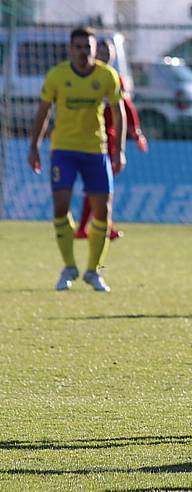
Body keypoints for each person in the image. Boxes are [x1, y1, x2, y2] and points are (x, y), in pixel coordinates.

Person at [28, 26, 126, 292]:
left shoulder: (107, 76)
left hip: (96, 150)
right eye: (79, 47)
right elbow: (43, 112)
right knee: (61, 207)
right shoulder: (58, 76)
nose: (84, 52)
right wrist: (34, 146)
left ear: (95, 50)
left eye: (88, 47)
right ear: (71, 49)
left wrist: (119, 150)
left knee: (102, 211)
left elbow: (119, 114)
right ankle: (69, 266)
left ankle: (94, 271)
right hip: (63, 150)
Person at [75, 38, 149, 241]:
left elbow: (127, 107)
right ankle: (90, 226)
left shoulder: (114, 77)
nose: (105, 55)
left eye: (109, 52)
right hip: (88, 138)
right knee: (98, 186)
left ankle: (94, 226)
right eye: (101, 51)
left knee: (101, 186)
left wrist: (136, 131)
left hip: (109, 139)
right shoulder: (85, 76)